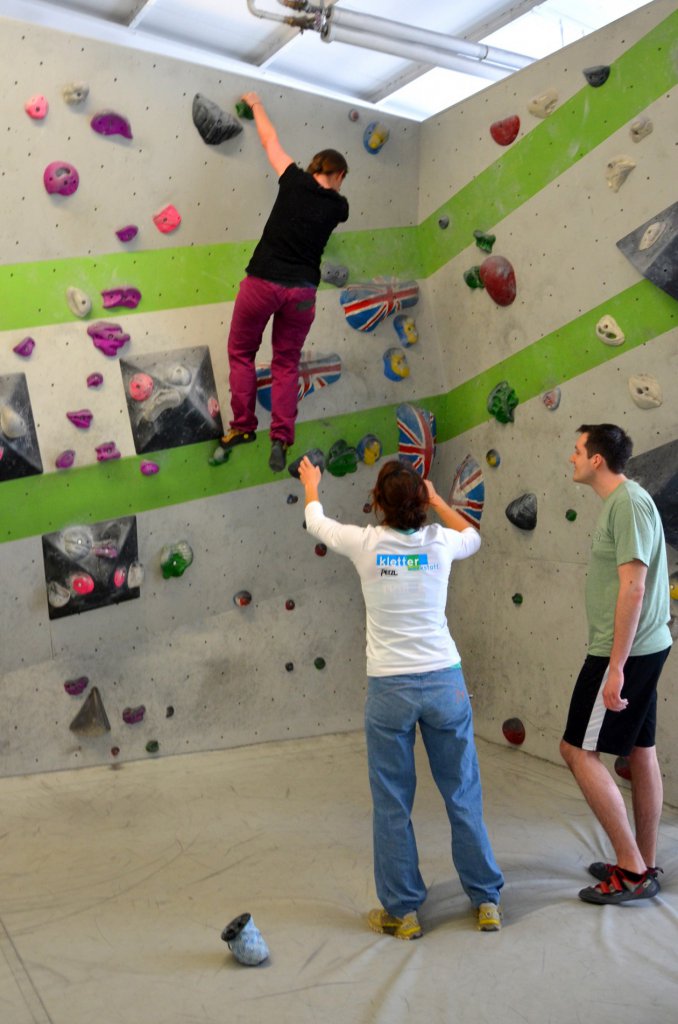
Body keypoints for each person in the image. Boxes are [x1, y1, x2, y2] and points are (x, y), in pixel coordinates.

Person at [298, 456, 504, 938]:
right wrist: (437, 501)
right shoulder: (441, 541)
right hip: (444, 684)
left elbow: (316, 521)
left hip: (389, 689)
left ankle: (404, 912)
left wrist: (312, 484)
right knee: (462, 794)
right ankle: (487, 900)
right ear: (422, 502)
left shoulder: (365, 544)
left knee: (392, 803)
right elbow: (474, 533)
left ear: (377, 504)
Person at [561, 424, 672, 905]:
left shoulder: (627, 503)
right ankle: (642, 863)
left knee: (576, 751)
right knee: (641, 749)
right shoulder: (625, 503)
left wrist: (616, 667)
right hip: (641, 646)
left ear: (598, 460)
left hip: (622, 651)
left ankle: (630, 868)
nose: (572, 457)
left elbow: (634, 586)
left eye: (578, 450)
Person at [211, 91, 349, 473]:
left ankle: (242, 427)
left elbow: (270, 141)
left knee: (242, 354)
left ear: (313, 167)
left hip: (263, 284)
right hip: (302, 292)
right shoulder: (339, 207)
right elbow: (331, 198)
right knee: (286, 363)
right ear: (338, 176)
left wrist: (256, 104)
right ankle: (281, 438)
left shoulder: (292, 180)